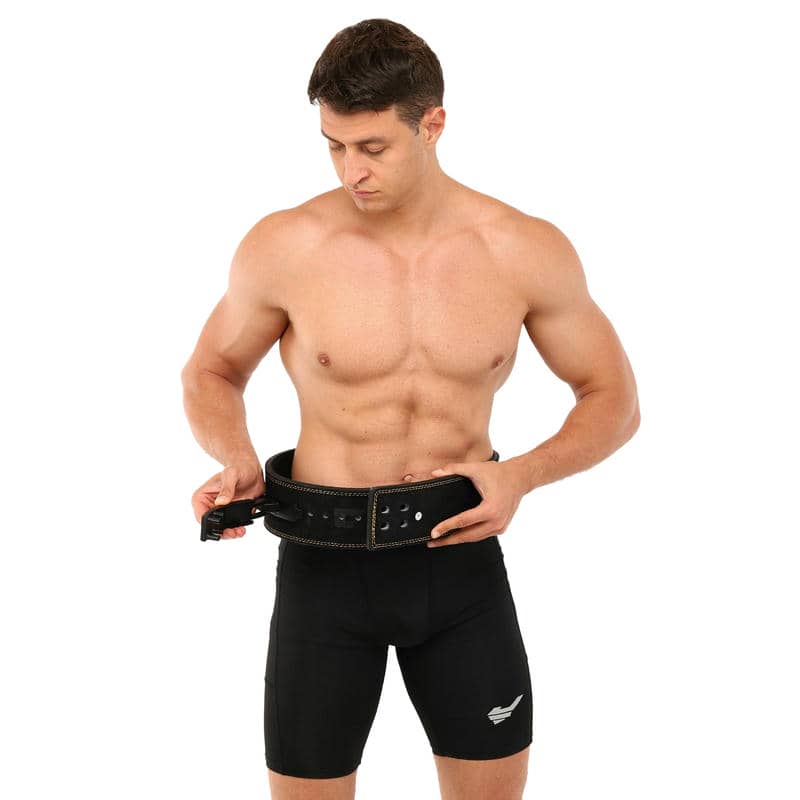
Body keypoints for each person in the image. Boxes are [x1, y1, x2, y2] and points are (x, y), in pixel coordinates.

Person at [181, 16, 640, 800]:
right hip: (323, 572)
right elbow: (211, 370)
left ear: (433, 124)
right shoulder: (287, 245)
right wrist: (237, 457)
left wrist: (522, 476)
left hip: (459, 565)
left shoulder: (522, 248)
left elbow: (615, 400)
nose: (350, 171)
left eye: (372, 147)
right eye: (333, 146)